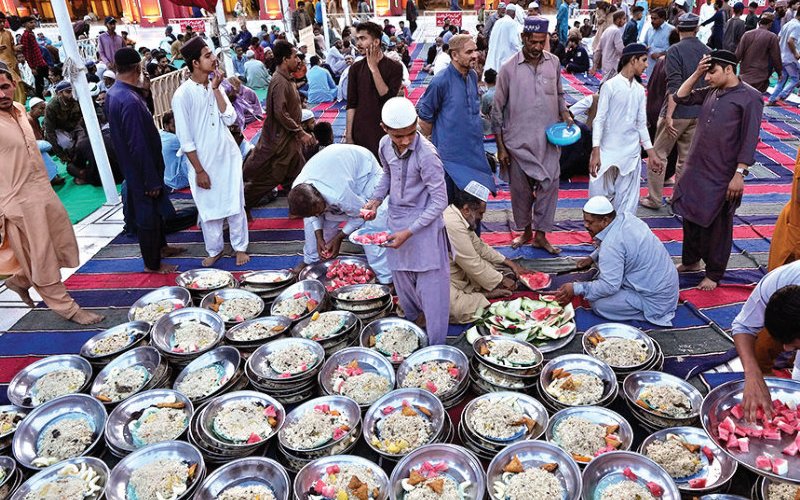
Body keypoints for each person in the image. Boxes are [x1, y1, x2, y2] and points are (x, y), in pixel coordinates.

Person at [0, 64, 103, 325]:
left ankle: (20, 280)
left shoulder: (21, 110)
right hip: (18, 201)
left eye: (4, 87)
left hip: (43, 190)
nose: (1, 94)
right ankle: (68, 308)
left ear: (14, 84)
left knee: (59, 243)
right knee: (43, 255)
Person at [361, 97, 450, 345]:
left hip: (424, 228)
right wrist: (376, 200)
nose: (405, 141)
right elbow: (388, 174)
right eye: (398, 136)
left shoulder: (427, 155)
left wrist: (410, 232)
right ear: (385, 129)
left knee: (434, 297)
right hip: (397, 223)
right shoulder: (384, 146)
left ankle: (436, 349)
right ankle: (413, 337)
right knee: (404, 289)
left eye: (411, 133)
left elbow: (439, 201)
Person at [672, 51, 762, 290]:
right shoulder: (713, 91)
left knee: (717, 224)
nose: (708, 78)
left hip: (723, 173)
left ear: (729, 69)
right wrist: (697, 72)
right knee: (690, 216)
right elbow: (680, 97)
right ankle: (691, 261)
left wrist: (739, 174)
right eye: (707, 73)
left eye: (712, 72)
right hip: (696, 167)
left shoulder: (750, 98)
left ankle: (714, 272)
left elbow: (749, 138)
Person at [492, 16, 573, 255]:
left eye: (542, 42)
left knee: (550, 186)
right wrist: (501, 148)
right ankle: (526, 231)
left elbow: (559, 95)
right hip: (517, 143)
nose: (538, 47)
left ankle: (541, 236)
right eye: (533, 42)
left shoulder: (554, 63)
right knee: (521, 192)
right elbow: (497, 111)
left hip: (548, 141)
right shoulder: (507, 69)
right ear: (523, 38)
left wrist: (566, 114)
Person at [171, 37, 250, 267]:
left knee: (235, 203)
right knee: (209, 207)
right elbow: (185, 140)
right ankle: (214, 249)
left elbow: (230, 118)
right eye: (208, 56)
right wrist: (199, 170)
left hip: (227, 156)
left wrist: (216, 90)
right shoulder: (182, 95)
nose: (214, 59)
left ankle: (240, 247)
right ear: (195, 62)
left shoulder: (215, 86)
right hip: (203, 162)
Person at [106, 47, 184, 274]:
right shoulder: (128, 100)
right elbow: (137, 144)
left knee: (156, 209)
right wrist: (150, 180)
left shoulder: (117, 93)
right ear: (137, 67)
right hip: (141, 170)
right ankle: (153, 264)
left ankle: (162, 247)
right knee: (147, 215)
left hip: (137, 167)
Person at [555, 196, 679, 325]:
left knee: (598, 303)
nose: (585, 226)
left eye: (590, 222)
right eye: (585, 221)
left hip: (656, 302)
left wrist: (576, 288)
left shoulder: (611, 245)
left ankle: (647, 313)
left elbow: (610, 286)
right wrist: (593, 257)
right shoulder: (627, 219)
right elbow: (621, 244)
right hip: (667, 290)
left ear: (605, 220)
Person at [289, 144, 392, 283]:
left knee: (373, 222)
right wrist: (319, 237)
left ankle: (385, 278)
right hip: (337, 168)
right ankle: (310, 261)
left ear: (321, 197)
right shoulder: (299, 188)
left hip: (366, 174)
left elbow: (361, 214)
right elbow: (313, 215)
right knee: (312, 223)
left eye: (320, 210)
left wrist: (339, 238)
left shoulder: (340, 195)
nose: (320, 214)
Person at [641, 13, 710, 209]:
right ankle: (678, 198)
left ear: (677, 30)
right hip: (697, 112)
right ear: (696, 29)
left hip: (676, 112)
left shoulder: (674, 51)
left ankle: (654, 199)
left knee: (659, 155)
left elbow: (674, 86)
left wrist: (669, 115)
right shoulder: (707, 51)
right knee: (686, 159)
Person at [417, 34, 496, 206]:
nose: (475, 55)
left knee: (474, 209)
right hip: (449, 161)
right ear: (454, 55)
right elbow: (425, 119)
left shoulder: (473, 76)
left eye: (475, 50)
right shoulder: (440, 81)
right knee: (450, 211)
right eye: (469, 52)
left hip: (473, 154)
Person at [590, 44, 663, 214]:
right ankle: (601, 238)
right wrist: (596, 151)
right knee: (600, 200)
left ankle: (620, 237)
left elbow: (640, 124)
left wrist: (651, 154)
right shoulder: (610, 86)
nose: (646, 65)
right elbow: (598, 120)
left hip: (630, 153)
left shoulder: (638, 90)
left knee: (626, 204)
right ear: (633, 60)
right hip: (607, 151)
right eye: (644, 60)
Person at [244, 41, 314, 211]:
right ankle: (239, 206)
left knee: (298, 175)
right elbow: (280, 113)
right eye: (295, 56)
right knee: (271, 178)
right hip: (279, 142)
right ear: (285, 59)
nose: (298, 60)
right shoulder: (279, 82)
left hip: (288, 141)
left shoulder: (286, 79)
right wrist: (300, 132)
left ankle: (300, 208)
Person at [445, 188, 528, 323]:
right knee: (457, 309)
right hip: (439, 275)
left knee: (490, 267)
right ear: (466, 209)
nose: (481, 218)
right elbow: (471, 262)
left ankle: (481, 292)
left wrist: (510, 263)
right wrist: (501, 280)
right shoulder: (452, 224)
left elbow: (480, 247)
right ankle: (485, 295)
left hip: (455, 268)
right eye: (480, 213)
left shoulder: (458, 215)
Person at [731, 263, 800, 421]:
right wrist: (752, 373)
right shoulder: (777, 281)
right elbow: (742, 326)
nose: (786, 349)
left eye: (794, 345)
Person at [345, 22, 403, 159]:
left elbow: (387, 99)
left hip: (384, 130)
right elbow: (351, 104)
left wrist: (374, 68)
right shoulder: (355, 68)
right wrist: (349, 135)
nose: (358, 43)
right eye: (357, 39)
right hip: (360, 129)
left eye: (363, 38)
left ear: (376, 41)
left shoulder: (395, 68)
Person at [736, 13, 782, 91]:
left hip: (744, 76)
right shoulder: (772, 37)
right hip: (760, 77)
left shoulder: (747, 35)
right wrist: (779, 73)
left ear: (759, 22)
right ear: (770, 24)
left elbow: (737, 55)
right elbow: (776, 57)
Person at [767, 8, 800, 105]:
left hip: (782, 56)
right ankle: (781, 95)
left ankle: (772, 99)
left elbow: (778, 38)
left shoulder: (787, 24)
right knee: (795, 78)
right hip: (790, 58)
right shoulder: (797, 26)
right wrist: (795, 53)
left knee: (781, 79)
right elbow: (790, 41)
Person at [160, 111, 190, 191]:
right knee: (190, 152)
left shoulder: (160, 134)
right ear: (166, 126)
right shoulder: (173, 139)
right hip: (177, 181)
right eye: (175, 126)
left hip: (166, 180)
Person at [19, 17, 48, 98]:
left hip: (40, 62)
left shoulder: (31, 34)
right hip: (36, 64)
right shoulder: (25, 36)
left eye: (34, 22)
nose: (33, 24)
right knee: (40, 82)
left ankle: (41, 97)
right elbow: (27, 53)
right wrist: (32, 67)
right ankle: (40, 99)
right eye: (31, 22)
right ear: (25, 24)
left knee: (43, 81)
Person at [485, 5, 521, 71]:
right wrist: (521, 52)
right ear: (514, 14)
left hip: (494, 55)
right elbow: (515, 43)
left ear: (506, 12)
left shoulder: (498, 22)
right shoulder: (512, 23)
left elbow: (490, 38)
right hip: (505, 56)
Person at [594, 10, 626, 80]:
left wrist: (595, 65)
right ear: (618, 20)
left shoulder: (608, 29)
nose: (625, 21)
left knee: (605, 84)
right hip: (613, 64)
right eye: (623, 19)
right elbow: (620, 49)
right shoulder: (616, 31)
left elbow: (598, 49)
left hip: (605, 63)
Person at [644, 8, 675, 77]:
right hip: (649, 67)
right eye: (651, 18)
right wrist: (644, 47)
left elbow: (675, 49)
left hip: (663, 68)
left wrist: (661, 54)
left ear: (663, 18)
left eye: (655, 19)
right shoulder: (650, 29)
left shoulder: (671, 30)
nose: (652, 21)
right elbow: (644, 42)